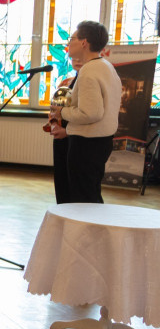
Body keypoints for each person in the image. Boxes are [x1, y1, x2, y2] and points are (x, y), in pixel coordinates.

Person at [52, 20, 122, 203]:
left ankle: (85, 232)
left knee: (82, 200)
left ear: (84, 42)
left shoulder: (89, 71)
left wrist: (62, 113)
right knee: (89, 195)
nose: (69, 43)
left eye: (72, 38)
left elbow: (90, 113)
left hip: (86, 145)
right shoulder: (106, 66)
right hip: (100, 142)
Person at [45, 57, 84, 204]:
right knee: (61, 180)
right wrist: (54, 124)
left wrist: (67, 132)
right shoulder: (66, 82)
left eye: (80, 57)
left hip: (77, 138)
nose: (77, 61)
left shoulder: (88, 84)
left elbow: (88, 115)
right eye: (74, 58)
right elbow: (54, 109)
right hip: (60, 138)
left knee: (75, 184)